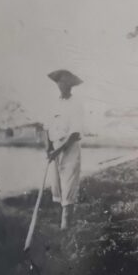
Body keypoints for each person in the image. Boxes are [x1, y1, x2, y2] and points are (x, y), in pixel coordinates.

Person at [46, 69, 84, 230]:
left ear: (71, 85)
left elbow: (75, 133)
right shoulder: (54, 104)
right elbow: (46, 128)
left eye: (66, 83)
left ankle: (66, 226)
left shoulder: (76, 104)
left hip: (70, 150)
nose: (63, 85)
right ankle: (61, 226)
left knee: (68, 187)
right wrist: (48, 147)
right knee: (56, 187)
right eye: (60, 82)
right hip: (55, 149)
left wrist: (58, 150)